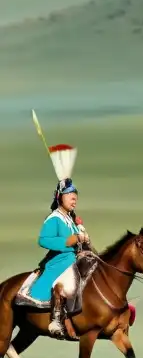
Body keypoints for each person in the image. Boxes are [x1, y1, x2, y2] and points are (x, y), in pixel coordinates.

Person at [28, 144, 90, 338]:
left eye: (75, 197)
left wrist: (83, 239)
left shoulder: (71, 220)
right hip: (60, 263)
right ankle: (56, 319)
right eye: (70, 196)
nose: (74, 199)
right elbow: (43, 240)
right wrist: (69, 240)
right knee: (65, 285)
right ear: (60, 197)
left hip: (74, 259)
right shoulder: (54, 218)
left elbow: (77, 240)